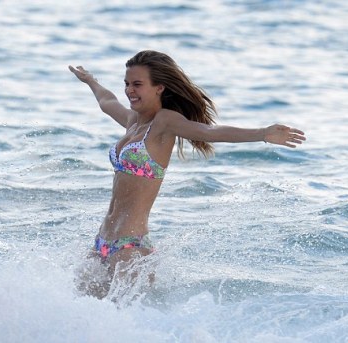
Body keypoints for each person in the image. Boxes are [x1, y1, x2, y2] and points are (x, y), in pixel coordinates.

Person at [69, 50, 306, 298]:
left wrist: (261, 133)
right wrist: (91, 81)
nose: (130, 90)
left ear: (159, 87)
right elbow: (107, 102)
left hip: (130, 249)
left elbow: (210, 131)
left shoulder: (165, 122)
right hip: (101, 244)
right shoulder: (133, 121)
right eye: (127, 84)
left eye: (138, 84)